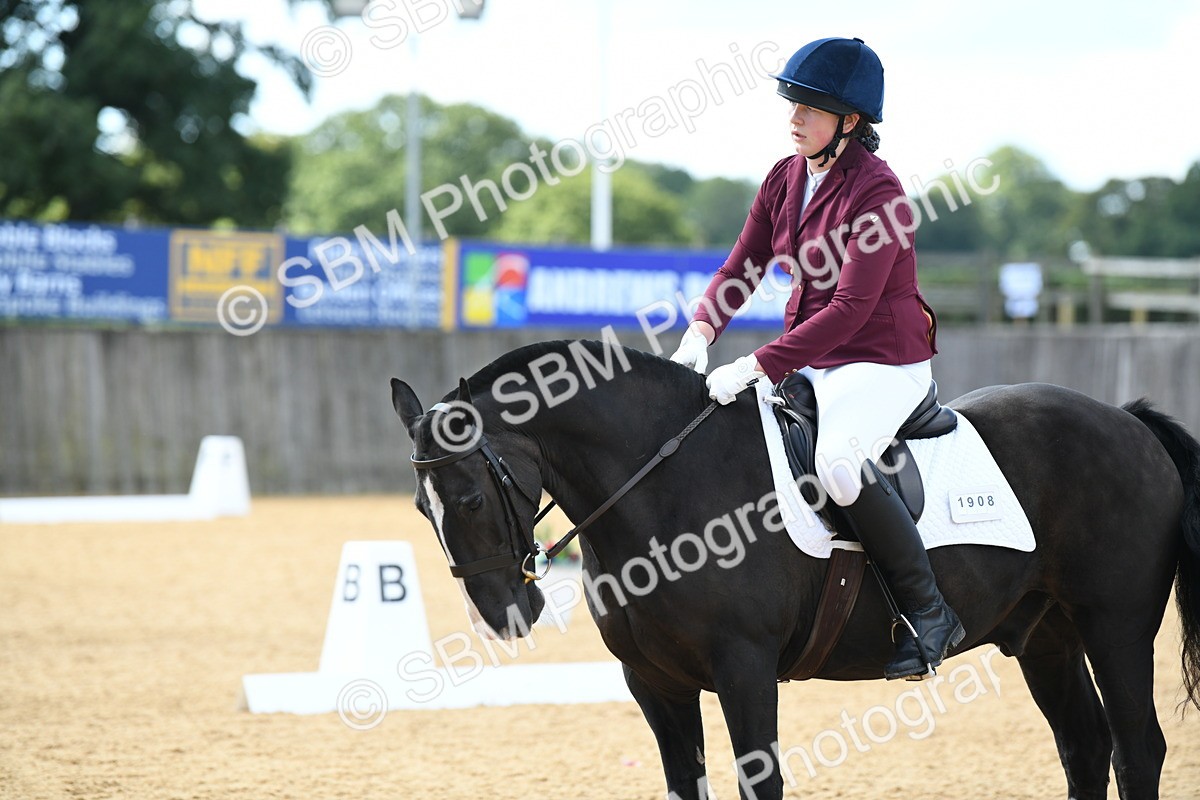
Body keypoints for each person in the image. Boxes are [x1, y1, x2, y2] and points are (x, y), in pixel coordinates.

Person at [669, 36, 964, 680]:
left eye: (808, 107)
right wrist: (701, 329)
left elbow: (853, 309)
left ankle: (930, 610)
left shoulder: (879, 193)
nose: (793, 117)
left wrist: (760, 364)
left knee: (834, 461)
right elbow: (742, 264)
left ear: (850, 121)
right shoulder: (785, 176)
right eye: (792, 104)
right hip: (815, 358)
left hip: (881, 361)